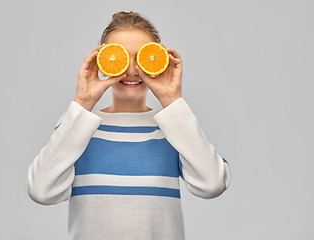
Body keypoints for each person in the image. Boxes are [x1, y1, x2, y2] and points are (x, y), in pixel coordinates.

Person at [27, 11, 231, 240]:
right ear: (101, 61)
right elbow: (41, 191)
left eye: (143, 57)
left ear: (158, 60)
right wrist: (83, 103)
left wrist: (172, 101)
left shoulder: (174, 126)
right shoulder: (78, 126)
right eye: (120, 56)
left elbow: (213, 184)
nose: (132, 69)